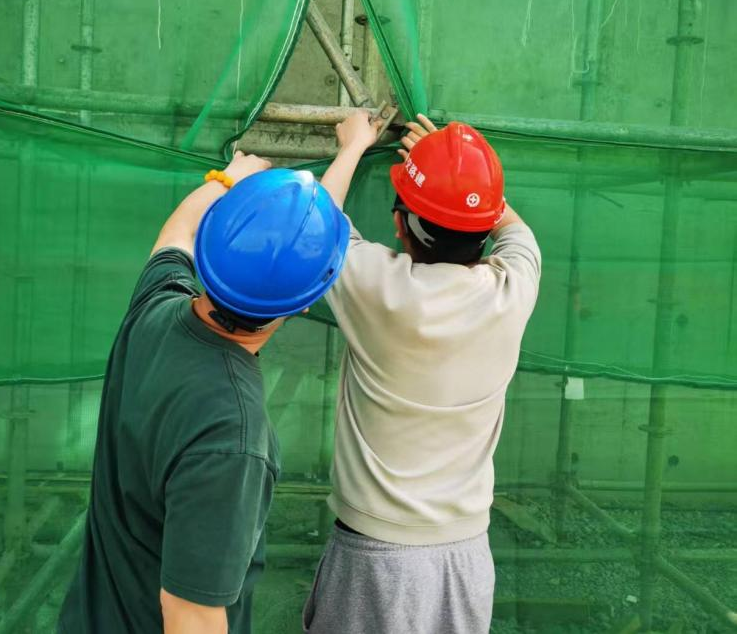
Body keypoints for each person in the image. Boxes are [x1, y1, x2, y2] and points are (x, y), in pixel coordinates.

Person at [58, 153, 351, 634]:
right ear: (305, 304)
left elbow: (175, 234)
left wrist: (226, 179)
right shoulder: (233, 436)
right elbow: (191, 616)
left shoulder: (155, 307)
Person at [303, 112, 542, 634]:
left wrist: (353, 145)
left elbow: (315, 223)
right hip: (466, 556)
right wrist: (462, 177)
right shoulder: (512, 290)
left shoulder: (377, 287)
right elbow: (513, 228)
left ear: (399, 224)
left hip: (374, 553)